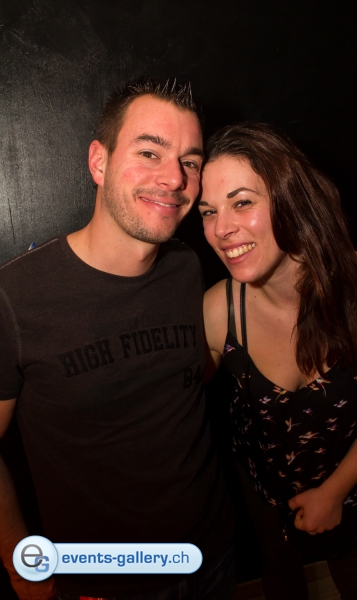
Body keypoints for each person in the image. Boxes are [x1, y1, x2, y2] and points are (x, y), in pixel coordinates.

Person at [0, 78, 234, 600]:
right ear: (98, 162)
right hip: (105, 581)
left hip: (212, 553)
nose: (174, 178)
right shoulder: (14, 297)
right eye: (149, 152)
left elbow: (180, 378)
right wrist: (21, 565)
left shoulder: (186, 267)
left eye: (190, 161)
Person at [200, 122, 357, 600]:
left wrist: (334, 491)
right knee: (279, 577)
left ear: (291, 199)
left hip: (351, 480)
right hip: (261, 483)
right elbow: (171, 396)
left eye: (241, 202)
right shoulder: (218, 310)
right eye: (208, 212)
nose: (221, 230)